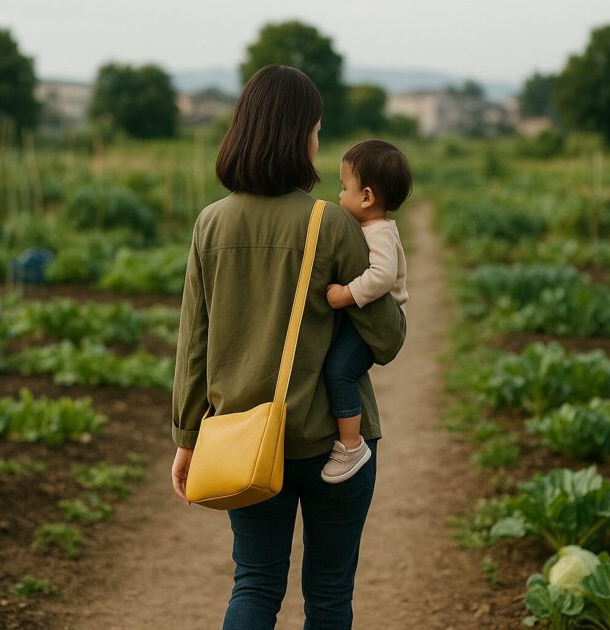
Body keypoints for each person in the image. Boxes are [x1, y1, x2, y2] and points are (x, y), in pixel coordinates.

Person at [170, 64, 406, 630]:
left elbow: (193, 343)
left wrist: (186, 437)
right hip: (334, 443)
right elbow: (387, 338)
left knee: (253, 584)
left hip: (244, 439)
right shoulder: (330, 223)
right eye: (316, 130)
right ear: (301, 136)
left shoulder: (210, 224)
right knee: (328, 596)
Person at [320, 140, 412, 483]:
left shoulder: (381, 233)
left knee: (340, 371)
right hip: (364, 321)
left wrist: (346, 294)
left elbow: (382, 276)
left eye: (344, 188)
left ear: (367, 197)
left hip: (376, 323)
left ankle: (350, 445)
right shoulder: (366, 228)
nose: (339, 195)